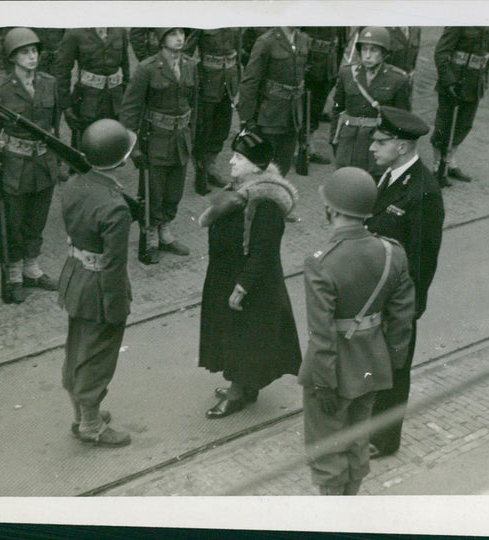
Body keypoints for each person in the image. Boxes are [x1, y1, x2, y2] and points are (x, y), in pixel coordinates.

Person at [299, 167, 415, 495]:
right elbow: (402, 317)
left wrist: (323, 381)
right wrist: (389, 361)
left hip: (333, 371)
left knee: (327, 451)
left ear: (332, 209)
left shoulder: (321, 263)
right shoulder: (393, 252)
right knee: (357, 440)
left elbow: (321, 334)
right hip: (372, 365)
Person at [197, 130, 302, 419]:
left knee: (242, 336)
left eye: (238, 158)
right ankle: (245, 386)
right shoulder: (244, 186)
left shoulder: (265, 202)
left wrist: (242, 287)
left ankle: (235, 394)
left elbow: (264, 251)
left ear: (256, 166)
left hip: (250, 282)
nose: (230, 162)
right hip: (231, 274)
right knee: (239, 334)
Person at [365, 106, 444, 459]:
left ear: (401, 146)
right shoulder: (389, 176)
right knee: (374, 364)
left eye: (380, 142)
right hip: (376, 293)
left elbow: (423, 260)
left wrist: (406, 309)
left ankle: (384, 439)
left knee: (395, 370)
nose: (372, 147)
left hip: (398, 301)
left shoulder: (423, 191)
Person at [57, 119, 138, 447]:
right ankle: (91, 425)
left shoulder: (74, 185)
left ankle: (81, 414)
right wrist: (117, 307)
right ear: (120, 161)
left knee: (77, 348)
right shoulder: (115, 208)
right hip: (100, 291)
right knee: (98, 357)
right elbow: (114, 266)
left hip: (76, 278)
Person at [0, 28, 60, 304]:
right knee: (13, 225)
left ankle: (31, 269)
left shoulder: (49, 83)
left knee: (36, 221)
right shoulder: (0, 91)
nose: (32, 57)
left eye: (34, 51)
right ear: (13, 58)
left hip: (44, 165)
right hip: (14, 167)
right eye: (25, 52)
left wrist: (57, 161)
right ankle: (14, 275)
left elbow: (55, 126)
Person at [120, 27, 196, 263]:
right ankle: (150, 235)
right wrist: (134, 147)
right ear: (161, 40)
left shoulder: (190, 65)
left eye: (182, 33)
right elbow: (130, 109)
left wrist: (191, 134)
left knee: (175, 189)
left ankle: (165, 232)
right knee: (154, 191)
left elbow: (194, 104)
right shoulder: (147, 68)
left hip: (181, 138)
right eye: (173, 34)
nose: (180, 38)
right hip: (156, 140)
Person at [331, 27, 410, 176]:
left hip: (377, 144)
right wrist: (334, 140)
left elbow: (402, 119)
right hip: (348, 143)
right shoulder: (347, 73)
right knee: (345, 185)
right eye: (364, 49)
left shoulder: (397, 80)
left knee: (374, 188)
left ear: (384, 53)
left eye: (373, 50)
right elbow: (337, 108)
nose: (367, 55)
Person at [238, 27, 308, 177]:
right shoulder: (266, 42)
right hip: (269, 115)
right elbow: (250, 82)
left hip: (293, 116)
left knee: (283, 166)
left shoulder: (303, 40)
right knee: (262, 166)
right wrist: (247, 119)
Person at [430, 26, 489, 184]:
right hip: (455, 80)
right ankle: (438, 165)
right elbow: (441, 52)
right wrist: (448, 81)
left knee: (464, 124)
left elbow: (488, 55)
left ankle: (451, 162)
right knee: (444, 124)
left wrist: (484, 79)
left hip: (474, 83)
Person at [184, 28, 241, 195]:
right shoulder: (203, 19)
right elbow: (187, 53)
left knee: (222, 127)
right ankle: (201, 170)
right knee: (203, 128)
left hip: (228, 83)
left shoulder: (234, 19)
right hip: (207, 83)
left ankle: (211, 166)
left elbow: (237, 53)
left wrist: (237, 81)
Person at [54, 27, 131, 148]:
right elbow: (62, 71)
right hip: (87, 101)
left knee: (110, 144)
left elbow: (126, 67)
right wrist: (66, 106)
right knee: (84, 146)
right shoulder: (75, 33)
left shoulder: (119, 31)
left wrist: (126, 97)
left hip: (114, 101)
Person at [301, 27, 341, 165]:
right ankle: (302, 148)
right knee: (304, 107)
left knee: (316, 108)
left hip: (327, 66)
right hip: (309, 62)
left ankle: (308, 146)